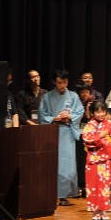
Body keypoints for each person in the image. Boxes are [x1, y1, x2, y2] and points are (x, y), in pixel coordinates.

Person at [39, 69, 85, 206]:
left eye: (64, 82)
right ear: (54, 82)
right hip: (53, 131)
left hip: (67, 132)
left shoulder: (73, 96)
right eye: (59, 82)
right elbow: (42, 114)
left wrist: (69, 116)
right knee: (54, 163)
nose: (62, 85)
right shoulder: (47, 97)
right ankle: (50, 193)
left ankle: (64, 195)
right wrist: (54, 118)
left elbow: (80, 111)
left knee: (67, 165)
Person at [82, 100, 111, 220]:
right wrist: (101, 136)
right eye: (97, 112)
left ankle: (104, 210)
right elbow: (86, 139)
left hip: (106, 160)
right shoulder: (90, 125)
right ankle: (96, 211)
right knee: (93, 185)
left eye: (103, 112)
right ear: (92, 113)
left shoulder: (110, 125)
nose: (100, 114)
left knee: (104, 186)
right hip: (93, 161)